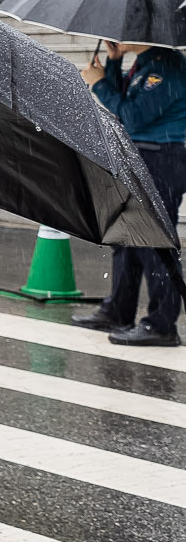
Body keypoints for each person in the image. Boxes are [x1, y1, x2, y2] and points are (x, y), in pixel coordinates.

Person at [77, 37, 184, 346]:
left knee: (154, 242)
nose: (113, 36)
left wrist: (98, 84)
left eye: (120, 34)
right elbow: (126, 101)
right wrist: (111, 64)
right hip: (140, 156)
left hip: (161, 159)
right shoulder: (146, 63)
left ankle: (162, 325)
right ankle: (118, 310)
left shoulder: (167, 69)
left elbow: (133, 116)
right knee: (126, 237)